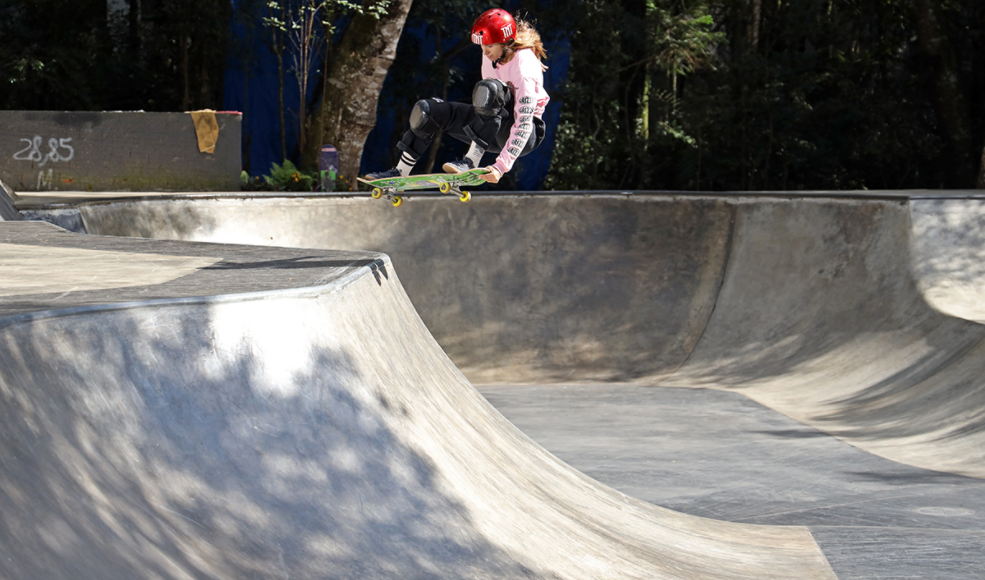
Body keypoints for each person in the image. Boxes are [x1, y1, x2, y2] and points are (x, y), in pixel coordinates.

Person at [365, 8, 550, 185]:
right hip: (495, 128)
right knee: (429, 111)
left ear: (506, 42)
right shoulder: (491, 56)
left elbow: (524, 123)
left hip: (526, 133)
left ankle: (470, 161)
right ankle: (400, 172)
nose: (485, 52)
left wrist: (501, 166)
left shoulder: (525, 66)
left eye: (489, 46)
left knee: (490, 90)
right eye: (482, 46)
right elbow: (488, 110)